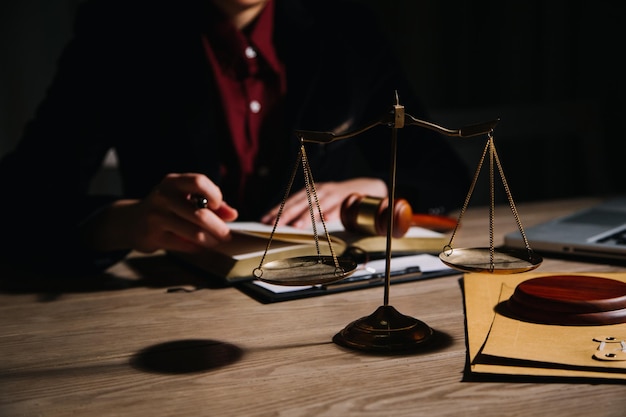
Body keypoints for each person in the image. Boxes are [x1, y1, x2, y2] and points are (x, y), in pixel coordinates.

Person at [0, 0, 470, 274]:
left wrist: (376, 189)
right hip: (166, 309)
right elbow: (20, 202)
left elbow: (444, 176)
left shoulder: (344, 28)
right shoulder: (119, 32)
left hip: (321, 304)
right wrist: (128, 222)